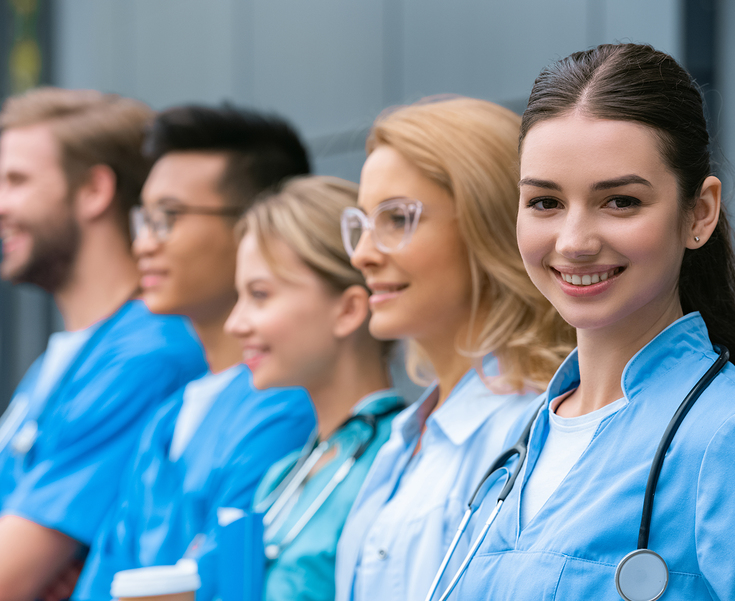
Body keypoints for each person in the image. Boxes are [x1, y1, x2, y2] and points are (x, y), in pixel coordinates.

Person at [454, 43, 735, 600]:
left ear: (700, 213)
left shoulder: (734, 444)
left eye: (619, 202)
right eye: (545, 202)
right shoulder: (517, 444)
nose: (574, 242)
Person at [0, 89, 207, 601]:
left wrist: (1, 554)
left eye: (16, 181)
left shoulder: (147, 356)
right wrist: (5, 550)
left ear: (94, 190)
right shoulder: (61, 362)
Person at [333, 97, 574, 601]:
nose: (361, 254)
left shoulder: (533, 432)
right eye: (360, 223)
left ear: (489, 225)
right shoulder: (409, 436)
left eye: (397, 219)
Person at [72, 105, 317, 601]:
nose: (142, 244)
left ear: (259, 225)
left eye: (168, 218)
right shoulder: (169, 419)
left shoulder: (287, 411)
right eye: (143, 219)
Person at [224, 176, 405, 601]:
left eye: (260, 294)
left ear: (348, 310)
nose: (235, 323)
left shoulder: (398, 465)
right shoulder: (281, 477)